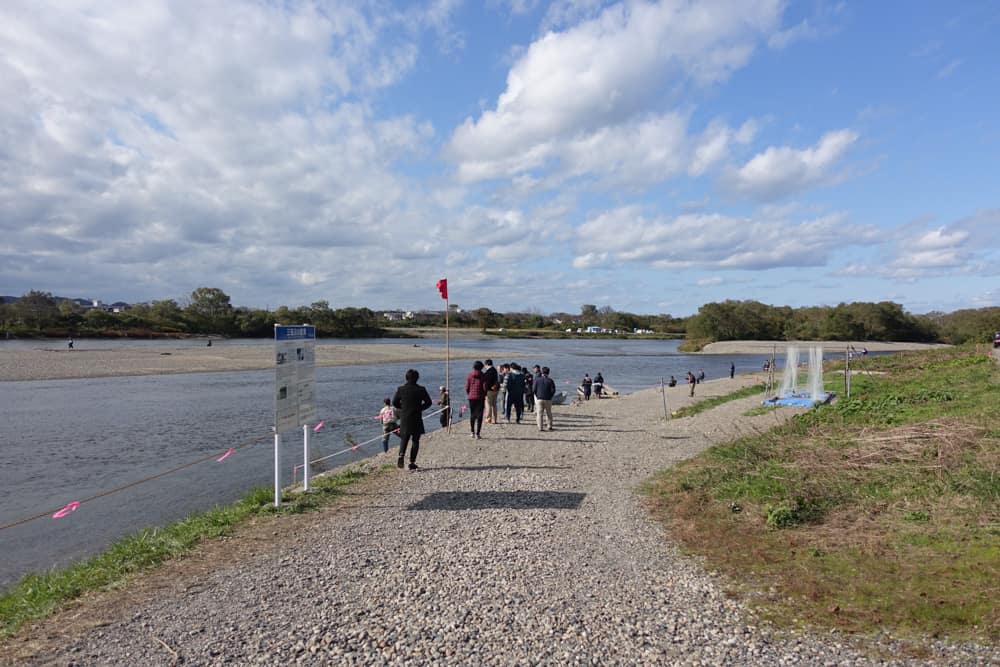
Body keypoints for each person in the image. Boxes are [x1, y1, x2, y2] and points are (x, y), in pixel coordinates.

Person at [391, 369, 433, 470]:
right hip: (417, 417)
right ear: (417, 378)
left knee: (404, 438)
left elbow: (394, 402)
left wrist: (403, 408)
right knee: (415, 440)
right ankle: (412, 462)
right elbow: (429, 402)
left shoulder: (401, 389)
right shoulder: (421, 389)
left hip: (405, 417)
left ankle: (401, 455)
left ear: (406, 378)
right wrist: (420, 408)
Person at [465, 360, 487, 439]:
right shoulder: (483, 375)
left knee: (472, 414)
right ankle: (478, 433)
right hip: (480, 398)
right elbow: (485, 388)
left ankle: (472, 432)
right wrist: (484, 394)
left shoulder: (469, 375)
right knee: (480, 415)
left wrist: (469, 393)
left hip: (471, 397)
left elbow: (467, 387)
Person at [533, 366, 556, 431]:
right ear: (548, 373)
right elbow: (553, 390)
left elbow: (534, 389)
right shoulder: (550, 380)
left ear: (542, 372)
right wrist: (550, 396)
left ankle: (540, 427)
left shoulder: (537, 380)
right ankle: (549, 426)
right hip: (548, 399)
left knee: (539, 413)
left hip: (539, 398)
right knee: (548, 413)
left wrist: (537, 395)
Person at [482, 359, 499, 424]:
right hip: (496, 390)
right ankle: (495, 419)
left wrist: (484, 390)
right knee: (494, 405)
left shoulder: (489, 371)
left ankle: (488, 418)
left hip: (489, 390)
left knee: (488, 405)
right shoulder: (494, 370)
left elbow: (487, 382)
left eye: (485, 365)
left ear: (486, 364)